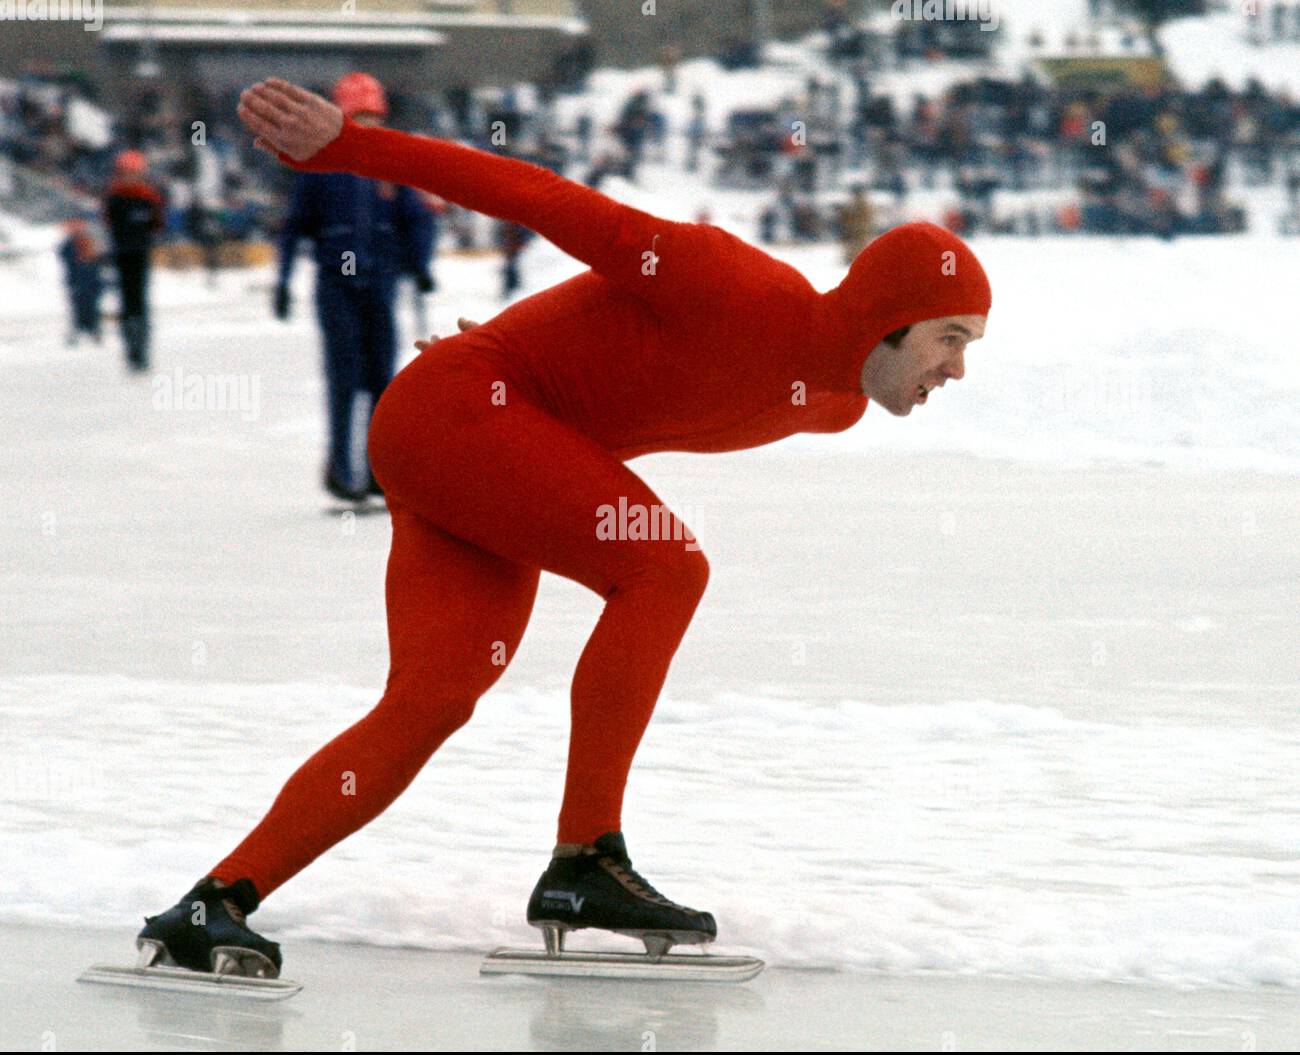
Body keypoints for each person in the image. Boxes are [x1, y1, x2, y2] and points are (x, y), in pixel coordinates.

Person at [136, 78, 991, 978]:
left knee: (433, 698)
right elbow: (542, 197)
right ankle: (586, 857)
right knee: (667, 569)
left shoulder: (833, 406)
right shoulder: (732, 284)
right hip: (459, 414)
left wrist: (501, 361)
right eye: (950, 337)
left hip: (480, 433)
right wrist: (349, 146)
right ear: (890, 318)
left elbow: (625, 373)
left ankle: (213, 901)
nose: (959, 367)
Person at [274, 72, 436, 504]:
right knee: (344, 377)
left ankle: (377, 471)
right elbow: (294, 229)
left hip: (380, 283)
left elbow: (416, 219)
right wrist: (284, 281)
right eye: (357, 118)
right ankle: (343, 469)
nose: (368, 127)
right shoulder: (319, 169)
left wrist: (420, 264)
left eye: (373, 118)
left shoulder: (392, 165)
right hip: (337, 286)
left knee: (383, 380)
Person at [102, 149, 164, 372]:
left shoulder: (148, 197)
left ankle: (141, 348)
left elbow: (157, 225)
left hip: (140, 253)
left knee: (140, 301)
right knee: (128, 302)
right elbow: (108, 223)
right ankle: (131, 349)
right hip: (123, 253)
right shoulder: (114, 197)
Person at [57, 217, 104, 346]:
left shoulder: (88, 242)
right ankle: (87, 331)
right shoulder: (73, 244)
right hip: (81, 281)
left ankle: (91, 331)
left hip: (87, 281)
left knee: (88, 308)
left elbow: (98, 259)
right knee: (81, 308)